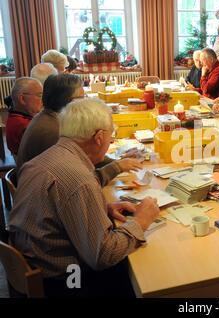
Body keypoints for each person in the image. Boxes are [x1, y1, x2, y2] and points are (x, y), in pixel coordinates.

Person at [9, 98, 160, 297]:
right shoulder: (79, 180)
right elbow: (102, 256)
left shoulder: (50, 156)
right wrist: (141, 221)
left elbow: (61, 205)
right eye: (111, 135)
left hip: (35, 260)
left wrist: (102, 207)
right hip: (65, 280)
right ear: (99, 137)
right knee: (146, 273)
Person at [16, 74, 141, 185]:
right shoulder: (53, 131)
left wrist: (119, 161)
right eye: (82, 97)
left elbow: (83, 160)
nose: (86, 101)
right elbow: (80, 180)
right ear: (67, 102)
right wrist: (116, 166)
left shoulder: (49, 117)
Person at [6, 78, 43, 158]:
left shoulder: (14, 115)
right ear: (22, 99)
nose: (43, 100)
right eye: (39, 95)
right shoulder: (25, 126)